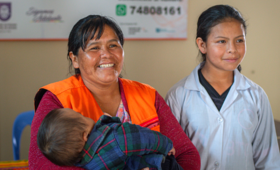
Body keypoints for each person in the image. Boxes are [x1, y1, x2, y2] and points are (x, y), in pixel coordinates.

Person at [29, 15, 201, 170]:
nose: (106, 54)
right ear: (74, 59)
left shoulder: (148, 95)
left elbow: (187, 155)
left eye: (113, 45)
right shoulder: (55, 98)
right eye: (94, 48)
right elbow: (42, 165)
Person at [165, 4, 280, 170]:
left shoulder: (256, 95)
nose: (232, 49)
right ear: (202, 45)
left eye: (239, 40)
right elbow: (171, 157)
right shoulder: (178, 95)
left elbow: (268, 160)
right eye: (221, 41)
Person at [37, 108, 178, 170]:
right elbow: (146, 138)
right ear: (84, 136)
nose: (84, 114)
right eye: (80, 115)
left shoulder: (85, 162)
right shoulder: (117, 138)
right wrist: (167, 145)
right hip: (160, 165)